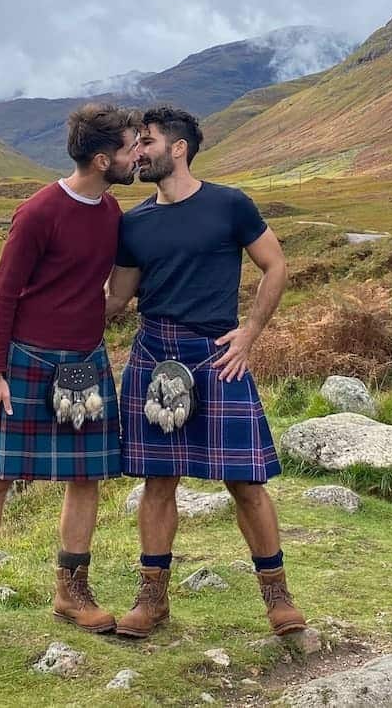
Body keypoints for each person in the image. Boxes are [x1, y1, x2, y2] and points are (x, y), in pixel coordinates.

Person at [104, 104, 305, 639]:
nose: (137, 152)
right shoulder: (134, 222)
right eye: (136, 144)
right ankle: (152, 601)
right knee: (158, 479)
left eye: (145, 142)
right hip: (153, 355)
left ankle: (277, 597)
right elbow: (117, 300)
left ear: (178, 148)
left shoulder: (230, 205)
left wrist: (250, 334)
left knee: (246, 481)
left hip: (217, 355)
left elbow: (275, 265)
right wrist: (43, 313)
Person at [0, 104, 139, 658]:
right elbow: (2, 294)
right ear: (103, 159)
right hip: (26, 362)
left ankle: (71, 592)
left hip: (84, 360)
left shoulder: (110, 210)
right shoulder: (38, 212)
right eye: (129, 149)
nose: (136, 157)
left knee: (87, 476)